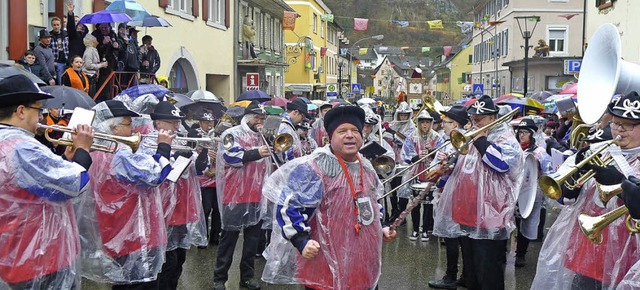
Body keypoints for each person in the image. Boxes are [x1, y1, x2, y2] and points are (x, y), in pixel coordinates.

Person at [261, 105, 397, 289]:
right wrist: (301, 240)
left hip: (363, 264)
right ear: (329, 137)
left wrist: (381, 227)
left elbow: (373, 203)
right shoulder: (314, 167)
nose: (350, 135)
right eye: (342, 131)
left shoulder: (366, 167)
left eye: (355, 130)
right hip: (324, 263)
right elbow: (289, 206)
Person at [532, 91, 640, 289]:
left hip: (626, 254)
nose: (619, 130)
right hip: (586, 248)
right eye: (616, 123)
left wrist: (620, 182)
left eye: (629, 125)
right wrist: (572, 181)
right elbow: (564, 199)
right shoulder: (597, 149)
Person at [0, 70, 94, 289]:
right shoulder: (23, 147)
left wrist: (63, 159)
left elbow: (32, 184)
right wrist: (82, 150)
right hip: (38, 257)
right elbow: (74, 183)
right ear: (21, 111)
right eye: (38, 110)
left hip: (16, 254)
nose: (41, 117)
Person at [77, 100, 174, 288]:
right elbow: (155, 174)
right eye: (128, 124)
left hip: (115, 231)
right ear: (113, 128)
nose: (133, 130)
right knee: (141, 283)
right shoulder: (118, 154)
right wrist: (164, 146)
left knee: (123, 282)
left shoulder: (96, 152)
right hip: (135, 234)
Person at [437, 95, 524, 290]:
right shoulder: (472, 137)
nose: (475, 123)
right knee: (473, 271)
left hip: (490, 217)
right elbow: (465, 168)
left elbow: (502, 165)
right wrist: (448, 166)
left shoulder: (505, 139)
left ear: (493, 118)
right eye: (473, 119)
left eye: (480, 119)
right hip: (468, 214)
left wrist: (481, 139)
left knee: (489, 272)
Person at [139, 101, 207, 290]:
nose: (177, 126)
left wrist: (202, 153)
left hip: (182, 209)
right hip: (162, 211)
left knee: (179, 259)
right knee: (164, 263)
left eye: (178, 122)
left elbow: (198, 170)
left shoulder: (180, 139)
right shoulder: (148, 143)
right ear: (159, 123)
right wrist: (177, 156)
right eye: (172, 122)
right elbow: (159, 173)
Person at [213, 101, 273, 290]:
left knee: (252, 241)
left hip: (256, 194)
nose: (260, 122)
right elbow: (231, 157)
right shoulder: (232, 133)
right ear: (247, 117)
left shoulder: (263, 137)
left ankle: (247, 277)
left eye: (262, 118)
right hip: (235, 195)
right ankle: (219, 278)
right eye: (257, 117)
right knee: (229, 238)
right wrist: (257, 152)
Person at [430, 105, 469, 289]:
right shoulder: (445, 143)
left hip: (460, 198)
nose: (444, 125)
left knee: (456, 237)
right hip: (446, 194)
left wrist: (449, 166)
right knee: (453, 236)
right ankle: (458, 274)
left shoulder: (465, 143)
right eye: (444, 122)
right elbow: (432, 171)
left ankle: (453, 276)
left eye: (449, 122)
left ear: (459, 125)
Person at [512, 118, 554, 268]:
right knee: (512, 221)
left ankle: (521, 254)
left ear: (532, 134)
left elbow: (549, 172)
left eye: (525, 132)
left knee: (526, 222)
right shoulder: (513, 148)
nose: (522, 135)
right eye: (520, 132)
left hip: (531, 193)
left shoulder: (540, 152)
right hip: (513, 191)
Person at [401, 110, 444, 241]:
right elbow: (405, 154)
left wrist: (431, 154)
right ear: (418, 123)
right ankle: (415, 229)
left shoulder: (437, 137)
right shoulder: (412, 136)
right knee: (415, 203)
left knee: (429, 203)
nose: (425, 125)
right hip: (416, 173)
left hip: (431, 173)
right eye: (422, 122)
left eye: (427, 122)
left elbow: (442, 153)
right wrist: (416, 157)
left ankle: (425, 229)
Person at [188, 110, 222, 247]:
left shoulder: (217, 134)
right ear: (201, 122)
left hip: (217, 175)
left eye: (211, 122)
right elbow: (192, 153)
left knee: (217, 209)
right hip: (203, 176)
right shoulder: (194, 134)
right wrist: (208, 157)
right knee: (205, 208)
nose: (209, 124)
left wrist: (217, 156)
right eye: (206, 121)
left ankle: (215, 237)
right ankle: (202, 237)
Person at [383, 101, 416, 222]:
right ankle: (394, 211)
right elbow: (386, 138)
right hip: (393, 159)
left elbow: (405, 141)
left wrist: (392, 133)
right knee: (392, 187)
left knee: (403, 188)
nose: (403, 117)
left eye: (405, 115)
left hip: (404, 161)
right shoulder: (395, 124)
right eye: (401, 115)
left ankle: (401, 214)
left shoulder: (412, 127)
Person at [92, 23, 119, 102]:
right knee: (101, 83)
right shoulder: (95, 34)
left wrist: (117, 46)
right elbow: (94, 49)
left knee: (110, 83)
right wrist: (102, 43)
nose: (104, 29)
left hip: (111, 63)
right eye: (102, 27)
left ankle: (109, 99)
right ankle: (99, 100)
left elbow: (118, 49)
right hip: (99, 62)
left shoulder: (113, 34)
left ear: (109, 27)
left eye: (106, 27)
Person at [50, 16, 69, 84]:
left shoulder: (66, 34)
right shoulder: (50, 36)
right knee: (60, 81)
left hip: (67, 61)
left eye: (58, 25)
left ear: (61, 25)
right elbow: (49, 50)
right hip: (57, 62)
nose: (56, 26)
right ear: (52, 26)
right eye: (54, 25)